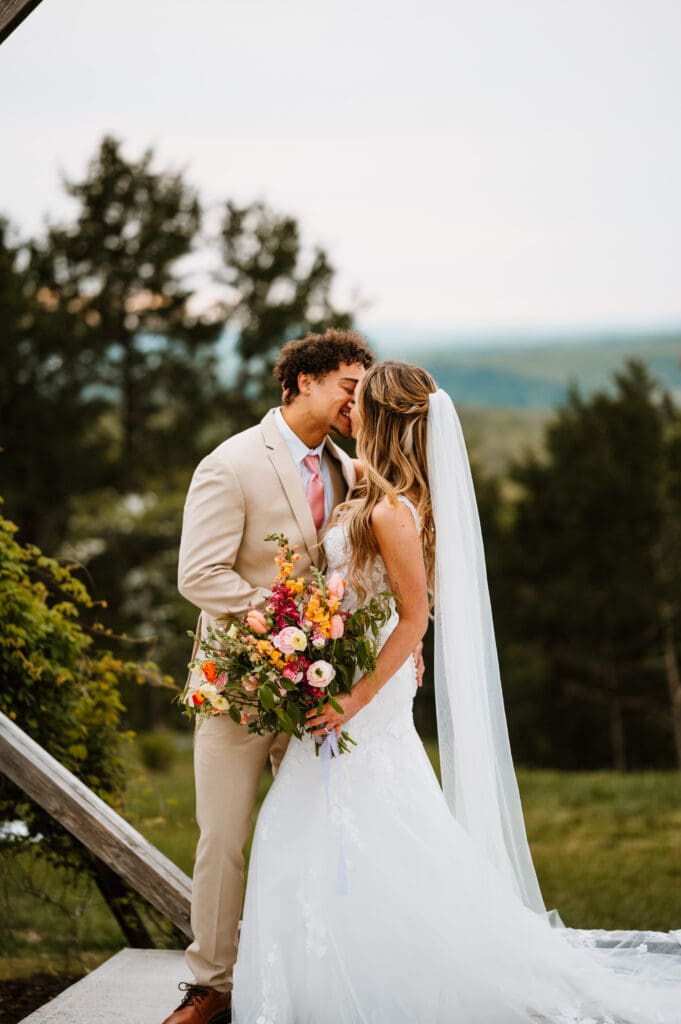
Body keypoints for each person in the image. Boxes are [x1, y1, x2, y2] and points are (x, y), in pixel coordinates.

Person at [232, 360, 681, 1024]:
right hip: (350, 671)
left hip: (362, 695)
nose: (348, 409)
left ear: (380, 417)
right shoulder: (373, 491)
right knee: (332, 823)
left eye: (359, 401)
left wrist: (352, 696)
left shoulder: (389, 509)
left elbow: (413, 612)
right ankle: (327, 980)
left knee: (347, 819)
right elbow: (385, 603)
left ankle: (374, 979)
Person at [162, 329, 374, 1024]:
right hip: (239, 686)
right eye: (348, 385)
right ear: (302, 382)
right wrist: (284, 617)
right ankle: (211, 986)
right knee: (223, 836)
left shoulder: (350, 468)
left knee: (313, 833)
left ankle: (302, 975)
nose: (357, 399)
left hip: (316, 689)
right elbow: (198, 574)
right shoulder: (230, 463)